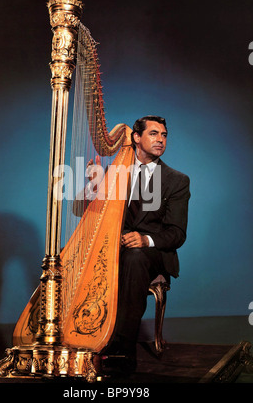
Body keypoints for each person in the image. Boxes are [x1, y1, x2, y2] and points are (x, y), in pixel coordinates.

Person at [86, 115, 190, 374]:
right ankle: (82, 338)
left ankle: (120, 350)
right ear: (136, 137)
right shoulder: (114, 171)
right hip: (113, 248)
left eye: (164, 135)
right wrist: (93, 184)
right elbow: (86, 214)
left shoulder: (177, 180)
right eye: (154, 134)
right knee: (81, 258)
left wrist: (145, 240)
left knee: (134, 258)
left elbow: (177, 234)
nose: (161, 140)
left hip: (152, 253)